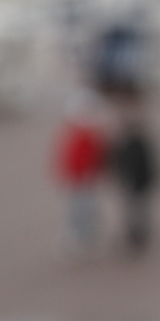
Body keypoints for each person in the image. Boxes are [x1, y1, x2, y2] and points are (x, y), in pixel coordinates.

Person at [106, 102, 160, 253]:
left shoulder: (137, 143)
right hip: (131, 184)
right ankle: (133, 237)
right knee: (131, 211)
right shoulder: (126, 143)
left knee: (137, 211)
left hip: (138, 184)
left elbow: (147, 165)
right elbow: (115, 161)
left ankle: (138, 237)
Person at [52, 95, 106, 253]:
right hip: (79, 179)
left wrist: (84, 176)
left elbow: (88, 159)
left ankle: (81, 238)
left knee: (81, 211)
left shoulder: (86, 136)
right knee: (81, 209)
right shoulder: (84, 135)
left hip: (82, 180)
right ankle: (84, 236)